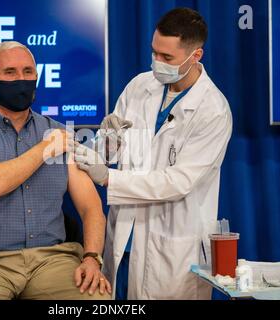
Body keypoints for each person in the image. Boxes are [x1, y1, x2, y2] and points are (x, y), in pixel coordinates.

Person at [74, 8, 232, 299]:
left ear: (196, 56)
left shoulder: (213, 111)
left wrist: (110, 179)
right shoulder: (140, 86)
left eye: (167, 58)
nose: (157, 62)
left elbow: (178, 181)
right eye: (154, 53)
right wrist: (108, 139)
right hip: (125, 236)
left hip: (172, 244)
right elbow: (107, 154)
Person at [0, 41, 111, 300]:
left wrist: (92, 258)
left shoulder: (59, 133)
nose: (21, 79)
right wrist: (45, 148)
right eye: (10, 73)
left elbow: (91, 207)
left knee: (97, 301)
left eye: (28, 72)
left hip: (51, 260)